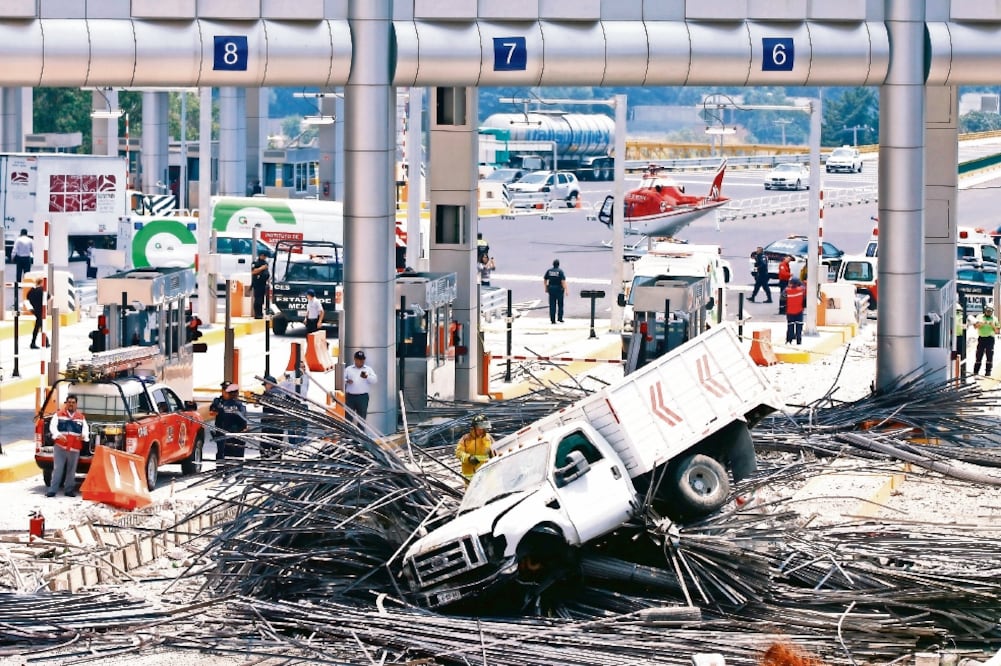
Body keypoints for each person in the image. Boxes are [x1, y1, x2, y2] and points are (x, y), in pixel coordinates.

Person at [47, 394, 89, 497]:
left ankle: (69, 490)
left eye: (73, 403)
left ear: (76, 404)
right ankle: (52, 490)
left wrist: (83, 436)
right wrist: (58, 435)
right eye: (69, 402)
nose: (71, 404)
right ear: (66, 403)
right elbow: (53, 427)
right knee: (58, 469)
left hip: (74, 448)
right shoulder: (58, 415)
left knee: (71, 470)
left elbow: (85, 430)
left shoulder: (81, 417)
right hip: (60, 447)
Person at [210, 383, 248, 460]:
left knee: (228, 455)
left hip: (230, 432)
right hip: (224, 431)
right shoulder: (219, 401)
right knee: (225, 454)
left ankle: (224, 470)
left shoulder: (226, 405)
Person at [454, 414, 494, 484]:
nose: (482, 431)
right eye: (480, 429)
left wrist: (492, 453)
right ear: (474, 428)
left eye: (483, 428)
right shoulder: (465, 439)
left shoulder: (488, 438)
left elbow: (496, 450)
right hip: (470, 477)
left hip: (486, 474)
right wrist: (468, 458)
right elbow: (458, 453)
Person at [343, 350, 377, 424]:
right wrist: (346, 381)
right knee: (348, 417)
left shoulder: (368, 369)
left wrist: (367, 377)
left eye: (362, 359)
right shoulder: (349, 369)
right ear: (355, 359)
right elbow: (342, 378)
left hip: (362, 397)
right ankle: (348, 434)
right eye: (359, 359)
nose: (361, 361)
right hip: (350, 397)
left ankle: (360, 434)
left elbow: (374, 380)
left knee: (362, 418)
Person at [259, 375, 284, 460]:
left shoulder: (268, 393)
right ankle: (277, 461)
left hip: (268, 423)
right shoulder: (283, 393)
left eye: (265, 385)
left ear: (269, 384)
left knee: (265, 445)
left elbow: (259, 402)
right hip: (281, 423)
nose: (265, 387)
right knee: (278, 444)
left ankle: (265, 462)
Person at [972, 305, 1000, 376]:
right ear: (985, 311)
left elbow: (997, 331)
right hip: (981, 338)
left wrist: (992, 325)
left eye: (990, 311)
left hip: (990, 339)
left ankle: (988, 372)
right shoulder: (980, 317)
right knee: (979, 355)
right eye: (987, 311)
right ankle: (976, 372)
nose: (989, 312)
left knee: (989, 355)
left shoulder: (995, 319)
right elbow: (975, 327)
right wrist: (982, 324)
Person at [543, 259, 567, 324]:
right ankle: (560, 318)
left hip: (551, 289)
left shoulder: (549, 271)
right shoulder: (560, 271)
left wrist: (545, 288)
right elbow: (563, 281)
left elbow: (545, 279)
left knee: (552, 305)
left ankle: (553, 320)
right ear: (558, 264)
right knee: (560, 304)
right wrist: (566, 290)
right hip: (559, 289)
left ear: (553, 264)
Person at [784, 277, 806, 345]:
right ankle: (799, 341)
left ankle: (789, 340)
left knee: (790, 326)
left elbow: (783, 298)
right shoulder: (801, 290)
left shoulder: (787, 291)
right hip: (799, 312)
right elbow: (804, 288)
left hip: (790, 312)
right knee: (799, 327)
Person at [250, 250, 270, 319]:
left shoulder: (265, 263)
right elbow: (253, 271)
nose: (264, 257)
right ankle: (257, 314)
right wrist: (262, 268)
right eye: (263, 256)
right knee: (257, 299)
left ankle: (260, 313)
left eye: (265, 256)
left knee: (261, 300)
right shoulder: (255, 263)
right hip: (257, 283)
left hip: (263, 283)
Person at [27, 278, 45, 349]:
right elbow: (49, 297)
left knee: (40, 325)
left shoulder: (32, 290)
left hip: (35, 310)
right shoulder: (42, 290)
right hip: (41, 310)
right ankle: (33, 343)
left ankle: (46, 341)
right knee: (38, 326)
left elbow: (27, 297)